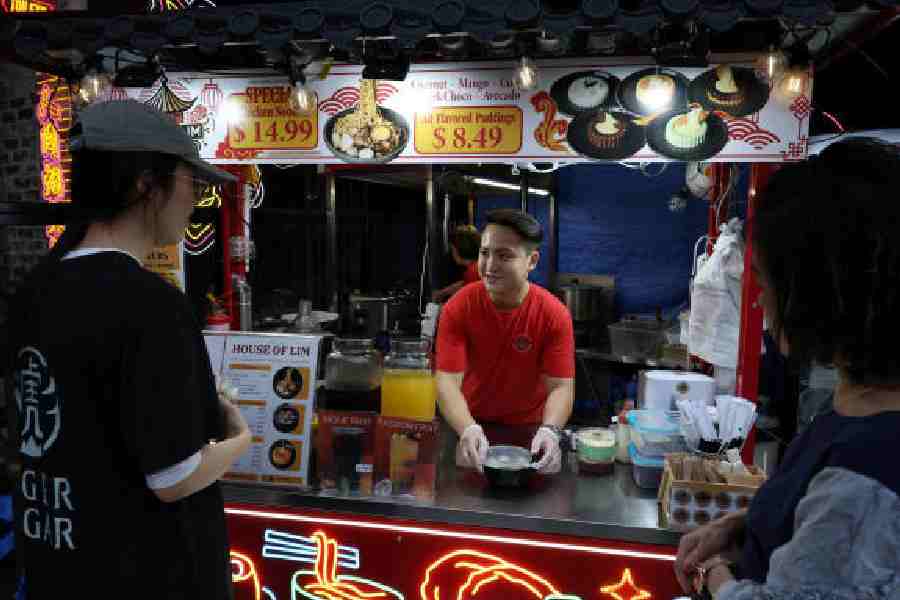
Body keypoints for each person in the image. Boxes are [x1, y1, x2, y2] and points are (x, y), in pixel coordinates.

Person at [7, 100, 251, 599]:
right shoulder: (150, 305)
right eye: (191, 183)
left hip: (57, 564)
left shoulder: (35, 287)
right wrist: (240, 438)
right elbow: (174, 475)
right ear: (146, 183)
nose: (196, 199)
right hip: (144, 575)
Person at [674, 137, 900, 600]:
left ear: (819, 290)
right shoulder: (856, 406)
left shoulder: (870, 466)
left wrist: (714, 572)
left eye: (765, 277)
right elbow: (818, 530)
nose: (760, 297)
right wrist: (740, 528)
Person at [435, 209, 574, 474]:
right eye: (485, 253)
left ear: (531, 261)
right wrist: (467, 427)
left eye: (504, 255)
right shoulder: (458, 307)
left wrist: (551, 430)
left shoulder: (554, 314)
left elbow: (561, 387)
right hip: (468, 424)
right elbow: (446, 381)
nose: (489, 266)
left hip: (531, 432)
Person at [432, 224, 482, 303]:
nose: (451, 253)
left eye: (452, 249)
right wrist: (441, 293)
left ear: (457, 250)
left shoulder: (473, 273)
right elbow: (463, 284)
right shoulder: (477, 267)